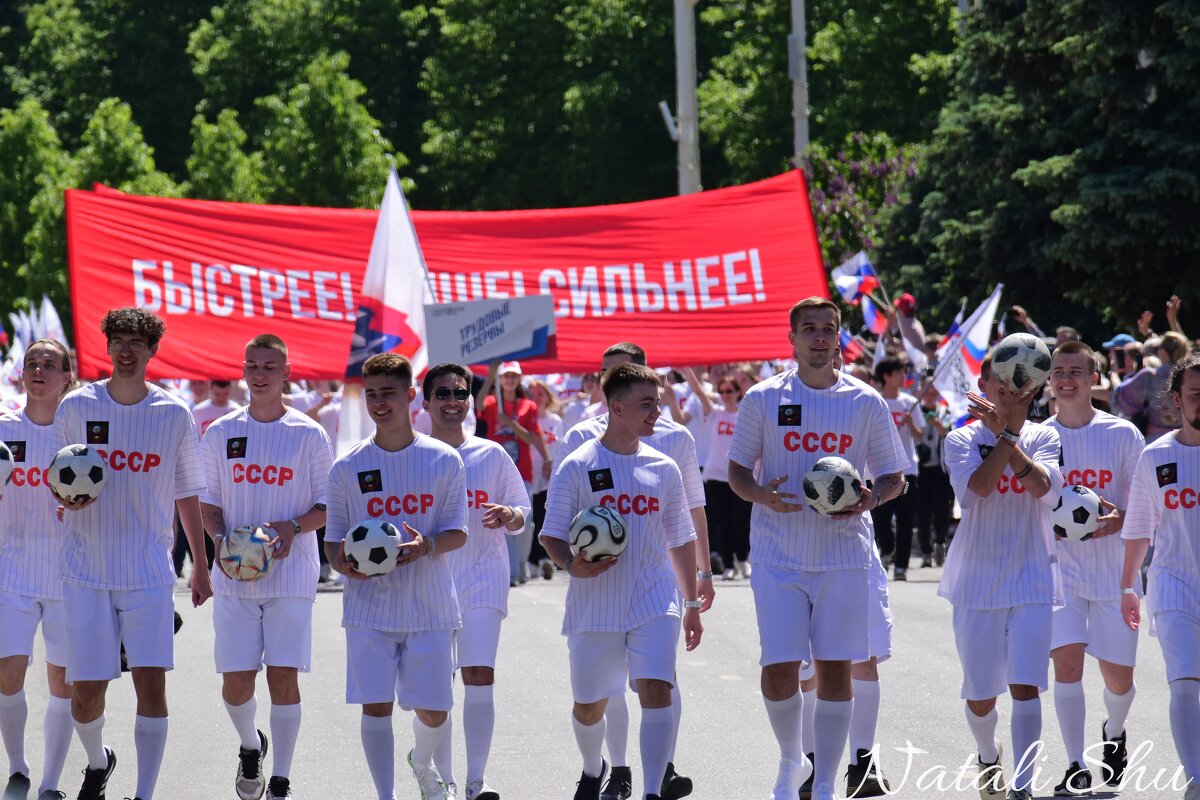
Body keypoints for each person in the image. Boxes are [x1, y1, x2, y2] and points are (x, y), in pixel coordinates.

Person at [726, 297, 908, 800]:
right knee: (779, 668)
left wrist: (872, 497)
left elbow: (895, 476)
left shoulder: (865, 400)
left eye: (828, 329)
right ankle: (792, 760)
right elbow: (737, 471)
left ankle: (826, 779)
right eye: (809, 329)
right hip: (777, 554)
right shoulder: (763, 398)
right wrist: (761, 494)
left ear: (839, 337)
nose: (820, 338)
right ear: (793, 339)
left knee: (834, 668)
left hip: (843, 554)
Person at [52, 307, 212, 800]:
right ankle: (98, 762)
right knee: (86, 697)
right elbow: (56, 481)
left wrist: (201, 567)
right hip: (85, 570)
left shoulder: (173, 413)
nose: (126, 349)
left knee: (151, 686)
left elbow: (187, 492)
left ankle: (144, 794)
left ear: (151, 351)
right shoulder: (76, 407)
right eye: (118, 339)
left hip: (147, 572)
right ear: (106, 346)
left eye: (136, 342)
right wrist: (64, 499)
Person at [538, 362, 703, 800]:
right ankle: (594, 769)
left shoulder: (664, 467)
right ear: (616, 407)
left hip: (653, 597)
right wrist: (573, 566)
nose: (657, 412)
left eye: (658, 402)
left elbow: (682, 538)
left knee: (656, 688)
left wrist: (690, 604)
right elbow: (551, 534)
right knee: (590, 705)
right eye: (647, 404)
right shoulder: (577, 464)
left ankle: (651, 790)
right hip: (595, 600)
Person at [323, 353, 468, 800]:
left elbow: (458, 533)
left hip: (430, 605)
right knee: (376, 707)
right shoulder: (346, 466)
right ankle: (385, 794)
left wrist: (426, 546)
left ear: (410, 397)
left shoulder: (444, 460)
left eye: (388, 393)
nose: (379, 403)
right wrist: (344, 564)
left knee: (435, 711)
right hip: (369, 608)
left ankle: (422, 763)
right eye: (371, 395)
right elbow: (333, 541)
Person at [199, 334, 333, 800]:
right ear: (243, 370)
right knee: (236, 684)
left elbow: (328, 505)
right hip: (234, 575)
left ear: (286, 373)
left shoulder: (308, 433)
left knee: (283, 675)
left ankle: (280, 778)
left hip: (291, 574)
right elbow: (208, 504)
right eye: (252, 365)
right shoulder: (219, 433)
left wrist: (294, 526)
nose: (260, 374)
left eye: (270, 367)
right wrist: (219, 541)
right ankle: (250, 744)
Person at [940, 352, 1063, 800]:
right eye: (999, 382)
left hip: (1032, 574)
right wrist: (1005, 436)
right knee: (981, 694)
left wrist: (1010, 436)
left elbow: (1044, 490)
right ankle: (988, 754)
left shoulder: (1046, 435)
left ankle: (1023, 786)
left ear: (1030, 389)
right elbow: (976, 491)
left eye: (1018, 384)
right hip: (976, 579)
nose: (1008, 391)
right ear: (984, 385)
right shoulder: (959, 440)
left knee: (1026, 683)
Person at [423, 362, 530, 800]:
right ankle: (444, 780)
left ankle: (476, 780)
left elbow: (523, 514)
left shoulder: (492, 454)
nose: (453, 402)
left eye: (460, 394)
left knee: (479, 675)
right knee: (436, 686)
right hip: (429, 582)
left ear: (471, 400)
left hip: (484, 577)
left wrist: (509, 514)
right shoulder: (412, 455)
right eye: (444, 394)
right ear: (425, 401)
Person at [1044, 341, 1144, 794]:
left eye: (1076, 371)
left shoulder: (1122, 434)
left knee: (1118, 680)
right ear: (1049, 380)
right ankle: (1074, 766)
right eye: (1059, 371)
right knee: (1066, 665)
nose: (1067, 378)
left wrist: (1117, 522)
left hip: (1114, 573)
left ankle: (1115, 732)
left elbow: (1143, 508)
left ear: (1094, 379)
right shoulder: (1038, 438)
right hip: (1059, 574)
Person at [1120, 352, 1200, 800]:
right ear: (1177, 400)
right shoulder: (1156, 457)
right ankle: (1196, 779)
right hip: (1174, 584)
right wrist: (1128, 584)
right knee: (1185, 680)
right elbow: (1139, 527)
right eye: (1196, 395)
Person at [0, 340, 75, 800]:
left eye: (49, 364)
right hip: (13, 568)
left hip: (68, 572)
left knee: (62, 680)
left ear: (68, 377)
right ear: (22, 375)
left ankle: (50, 783)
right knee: (8, 673)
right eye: (32, 363)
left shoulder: (79, 435)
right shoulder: (3, 428)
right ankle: (18, 769)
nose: (39, 369)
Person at [475, 361, 548, 586]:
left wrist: (511, 424)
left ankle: (521, 563)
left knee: (526, 520)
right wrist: (489, 377)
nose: (509, 380)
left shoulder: (528, 406)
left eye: (513, 376)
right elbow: (476, 406)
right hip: (496, 471)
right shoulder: (491, 401)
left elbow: (531, 437)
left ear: (519, 380)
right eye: (505, 376)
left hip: (523, 470)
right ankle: (511, 572)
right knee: (504, 518)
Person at [676, 366, 750, 580]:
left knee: (742, 521)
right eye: (723, 391)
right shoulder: (715, 413)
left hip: (740, 474)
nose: (726, 395)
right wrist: (689, 374)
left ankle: (743, 559)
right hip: (716, 475)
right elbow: (699, 393)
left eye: (730, 391)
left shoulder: (745, 414)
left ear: (738, 392)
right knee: (723, 522)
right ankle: (729, 565)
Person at [869, 357, 926, 579]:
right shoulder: (875, 402)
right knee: (881, 517)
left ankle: (901, 565)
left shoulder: (909, 402)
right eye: (899, 372)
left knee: (905, 519)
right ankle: (887, 548)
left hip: (908, 470)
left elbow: (920, 438)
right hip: (881, 471)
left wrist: (911, 424)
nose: (904, 376)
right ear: (887, 376)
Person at [1112, 330, 1190, 440]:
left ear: (1163, 351)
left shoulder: (1150, 376)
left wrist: (1114, 374)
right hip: (1187, 440)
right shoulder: (1190, 377)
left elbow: (1120, 395)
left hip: (1155, 440)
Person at [527, 378, 563, 580]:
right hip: (529, 473)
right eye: (533, 394)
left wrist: (553, 464)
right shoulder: (526, 416)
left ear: (548, 397)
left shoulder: (555, 421)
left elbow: (559, 446)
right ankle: (531, 559)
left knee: (543, 516)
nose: (537, 398)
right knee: (529, 517)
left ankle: (544, 559)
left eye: (541, 394)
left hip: (548, 476)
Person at [915, 384, 953, 565]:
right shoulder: (915, 411)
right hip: (920, 468)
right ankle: (925, 551)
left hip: (940, 469)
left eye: (933, 393)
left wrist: (936, 424)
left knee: (942, 510)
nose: (929, 396)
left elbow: (948, 433)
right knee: (922, 512)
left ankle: (940, 541)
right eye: (926, 393)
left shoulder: (944, 411)